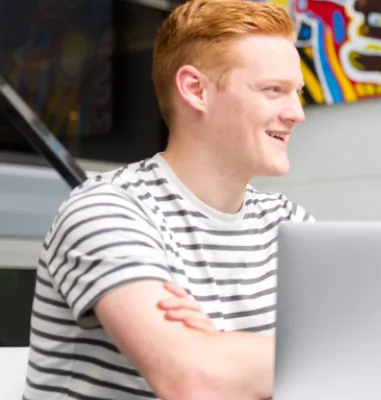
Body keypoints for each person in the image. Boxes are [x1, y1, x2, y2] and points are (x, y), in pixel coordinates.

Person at [23, 1, 312, 398]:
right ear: (195, 90)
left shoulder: (289, 224)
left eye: (297, 93)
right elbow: (192, 378)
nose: (297, 113)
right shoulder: (106, 209)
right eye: (273, 90)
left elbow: (361, 357)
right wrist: (212, 361)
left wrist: (217, 349)